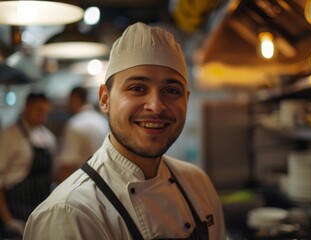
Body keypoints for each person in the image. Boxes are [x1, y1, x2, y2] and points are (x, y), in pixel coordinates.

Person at [24, 22, 226, 240]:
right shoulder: (69, 214)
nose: (156, 106)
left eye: (171, 90)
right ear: (105, 99)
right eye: (137, 88)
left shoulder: (198, 183)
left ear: (186, 100)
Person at [0, 92, 56, 238]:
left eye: (45, 112)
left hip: (40, 210)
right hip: (15, 210)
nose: (42, 115)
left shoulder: (48, 137)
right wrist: (8, 220)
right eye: (39, 110)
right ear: (26, 107)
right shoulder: (9, 135)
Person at [56, 86, 109, 182]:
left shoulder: (75, 124)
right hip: (105, 180)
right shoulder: (102, 121)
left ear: (75, 99)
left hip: (83, 183)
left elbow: (68, 164)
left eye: (69, 100)